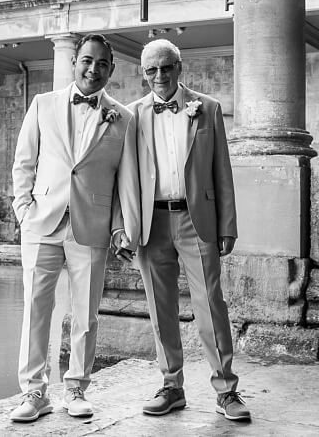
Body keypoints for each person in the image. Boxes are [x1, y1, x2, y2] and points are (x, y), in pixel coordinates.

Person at [8, 33, 139, 422]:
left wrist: (119, 227)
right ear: (74, 62)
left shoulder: (123, 118)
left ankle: (77, 388)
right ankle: (34, 392)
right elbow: (23, 163)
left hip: (92, 226)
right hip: (42, 222)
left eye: (101, 64)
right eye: (86, 60)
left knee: (86, 313)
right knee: (35, 309)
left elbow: (125, 181)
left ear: (111, 70)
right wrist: (23, 211)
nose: (93, 69)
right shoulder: (42, 104)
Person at [126, 38, 251, 422]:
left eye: (166, 67)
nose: (159, 76)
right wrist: (124, 227)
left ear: (179, 67)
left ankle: (226, 389)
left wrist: (227, 223)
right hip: (151, 223)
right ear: (143, 73)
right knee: (159, 306)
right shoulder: (132, 115)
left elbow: (222, 172)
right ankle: (171, 385)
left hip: (198, 221)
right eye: (151, 70)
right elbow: (125, 178)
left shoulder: (207, 108)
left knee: (211, 303)